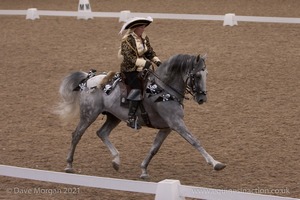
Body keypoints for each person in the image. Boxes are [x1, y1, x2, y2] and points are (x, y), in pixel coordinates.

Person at [118, 16, 161, 129]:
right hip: (130, 70)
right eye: (141, 27)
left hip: (143, 68)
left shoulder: (144, 38)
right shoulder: (127, 40)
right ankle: (131, 117)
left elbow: (149, 52)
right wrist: (144, 63)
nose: (143, 29)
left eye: (144, 27)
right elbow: (129, 58)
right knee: (137, 88)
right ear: (135, 28)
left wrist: (158, 62)